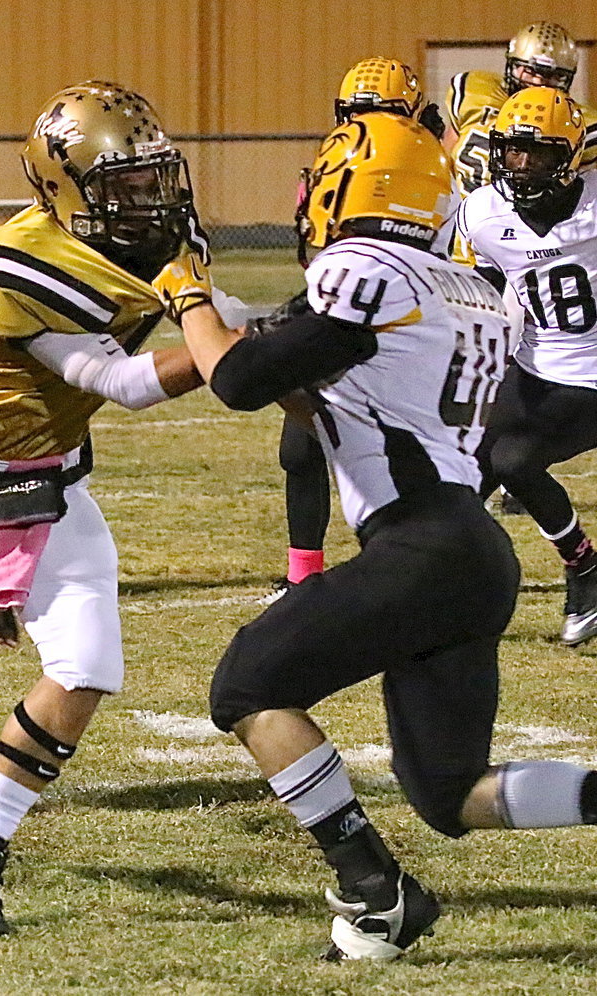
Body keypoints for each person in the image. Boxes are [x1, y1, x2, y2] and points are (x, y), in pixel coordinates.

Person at [172, 111, 597, 962]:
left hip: (420, 546)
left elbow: (240, 382)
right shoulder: (464, 289)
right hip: (473, 553)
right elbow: (340, 404)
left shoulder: (364, 269)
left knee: (245, 687)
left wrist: (186, 295)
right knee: (448, 793)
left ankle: (376, 891)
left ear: (345, 188)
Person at [0, 81, 232, 935]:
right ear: (64, 189)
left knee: (85, 665)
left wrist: (252, 331)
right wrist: (244, 345)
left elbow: (208, 323)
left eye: (155, 175)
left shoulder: (163, 237)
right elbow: (119, 381)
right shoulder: (15, 268)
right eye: (124, 183)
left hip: (52, 484)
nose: (150, 197)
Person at [266, 57, 442, 602]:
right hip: (343, 310)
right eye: (358, 111)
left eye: (382, 111)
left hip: (406, 326)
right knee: (301, 448)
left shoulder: (432, 171)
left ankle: (411, 566)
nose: (367, 123)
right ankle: (303, 574)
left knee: (405, 455)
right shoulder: (337, 164)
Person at [458, 88, 597, 646]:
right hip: (535, 366)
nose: (521, 164)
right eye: (513, 150)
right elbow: (482, 288)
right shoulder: (483, 214)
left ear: (570, 156)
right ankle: (449, 592)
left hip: (592, 377)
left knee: (514, 461)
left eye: (538, 153)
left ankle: (583, 567)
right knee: (461, 476)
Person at [443, 21, 596, 197]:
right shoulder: (474, 92)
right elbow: (446, 156)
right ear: (512, 65)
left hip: (527, 212)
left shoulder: (578, 123)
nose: (538, 82)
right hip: (462, 205)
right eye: (530, 71)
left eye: (552, 75)